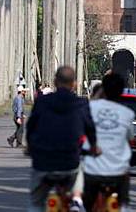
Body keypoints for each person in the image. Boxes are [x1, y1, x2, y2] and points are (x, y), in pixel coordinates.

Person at [26, 66, 99, 212]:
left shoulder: (42, 102)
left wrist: (30, 147)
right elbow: (90, 129)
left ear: (55, 82)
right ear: (74, 84)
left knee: (36, 203)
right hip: (69, 163)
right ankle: (76, 201)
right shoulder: (82, 104)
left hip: (43, 163)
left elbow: (31, 127)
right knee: (78, 170)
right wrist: (94, 147)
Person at [82, 73, 135, 212]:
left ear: (103, 88)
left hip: (91, 171)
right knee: (123, 204)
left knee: (84, 206)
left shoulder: (90, 108)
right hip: (118, 173)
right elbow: (131, 139)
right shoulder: (127, 113)